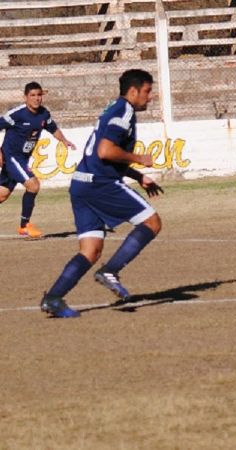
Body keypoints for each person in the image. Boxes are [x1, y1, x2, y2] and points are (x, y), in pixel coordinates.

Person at [40, 69, 163, 318]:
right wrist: (140, 160)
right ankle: (110, 271)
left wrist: (138, 177)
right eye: (148, 91)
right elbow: (106, 151)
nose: (150, 97)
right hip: (100, 184)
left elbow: (103, 153)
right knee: (152, 222)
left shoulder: (113, 108)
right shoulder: (123, 112)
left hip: (81, 183)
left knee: (91, 250)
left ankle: (53, 298)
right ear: (133, 90)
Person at [0, 82, 75, 238]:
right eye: (32, 95)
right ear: (25, 97)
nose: (36, 99)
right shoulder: (17, 114)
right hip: (12, 157)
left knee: (2, 194)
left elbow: (52, 128)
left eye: (39, 95)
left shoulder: (43, 114)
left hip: (22, 159)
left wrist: (64, 140)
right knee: (33, 185)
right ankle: (24, 226)